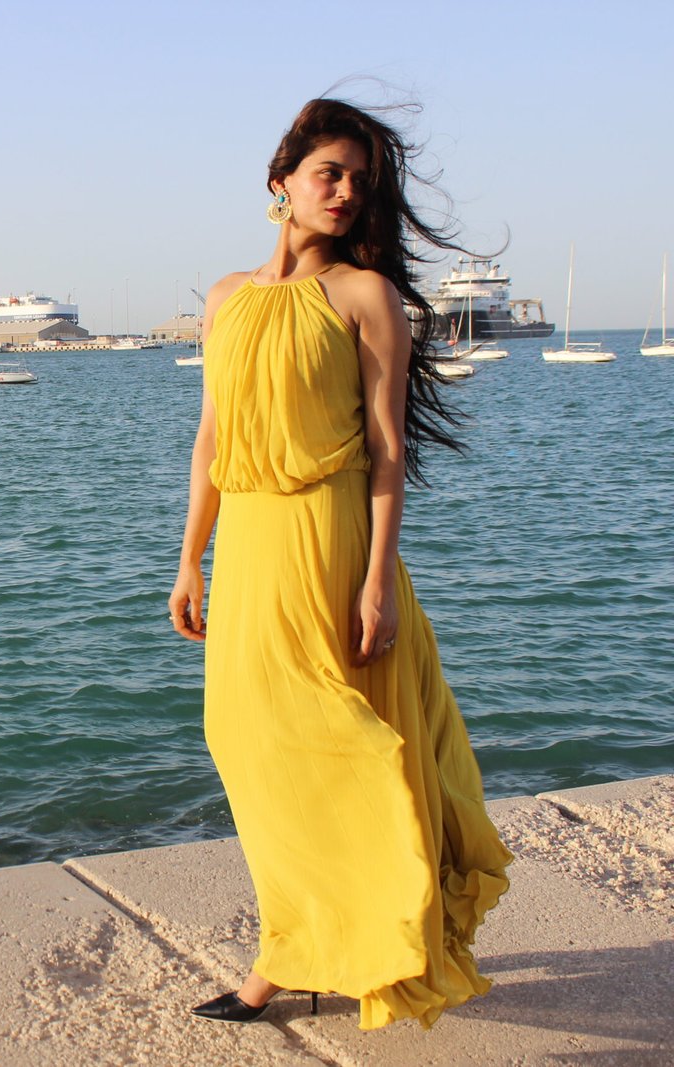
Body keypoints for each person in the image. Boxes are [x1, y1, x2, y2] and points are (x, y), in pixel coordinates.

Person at [167, 97, 512, 1031]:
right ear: (281, 180)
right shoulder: (227, 298)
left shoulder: (365, 296)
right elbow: (211, 440)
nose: (347, 191)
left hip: (331, 545)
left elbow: (390, 451)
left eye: (360, 180)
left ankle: (293, 959)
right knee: (249, 743)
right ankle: (311, 937)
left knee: (344, 746)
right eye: (330, 172)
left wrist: (377, 580)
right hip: (250, 545)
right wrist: (190, 560)